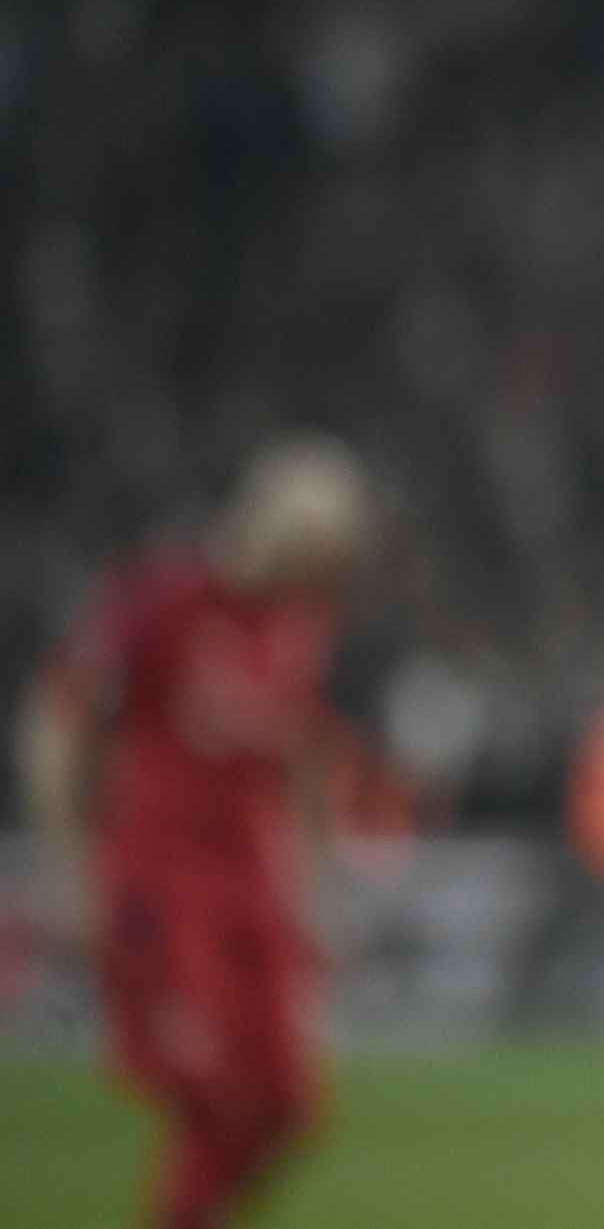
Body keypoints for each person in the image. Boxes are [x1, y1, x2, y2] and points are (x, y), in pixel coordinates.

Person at [18, 435, 375, 1229]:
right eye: (324, 544)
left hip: (252, 887)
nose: (331, 568)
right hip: (165, 882)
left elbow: (306, 759)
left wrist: (321, 883)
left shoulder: (297, 626)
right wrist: (64, 863)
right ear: (279, 524)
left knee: (287, 1104)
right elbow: (57, 719)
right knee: (212, 1092)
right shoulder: (165, 599)